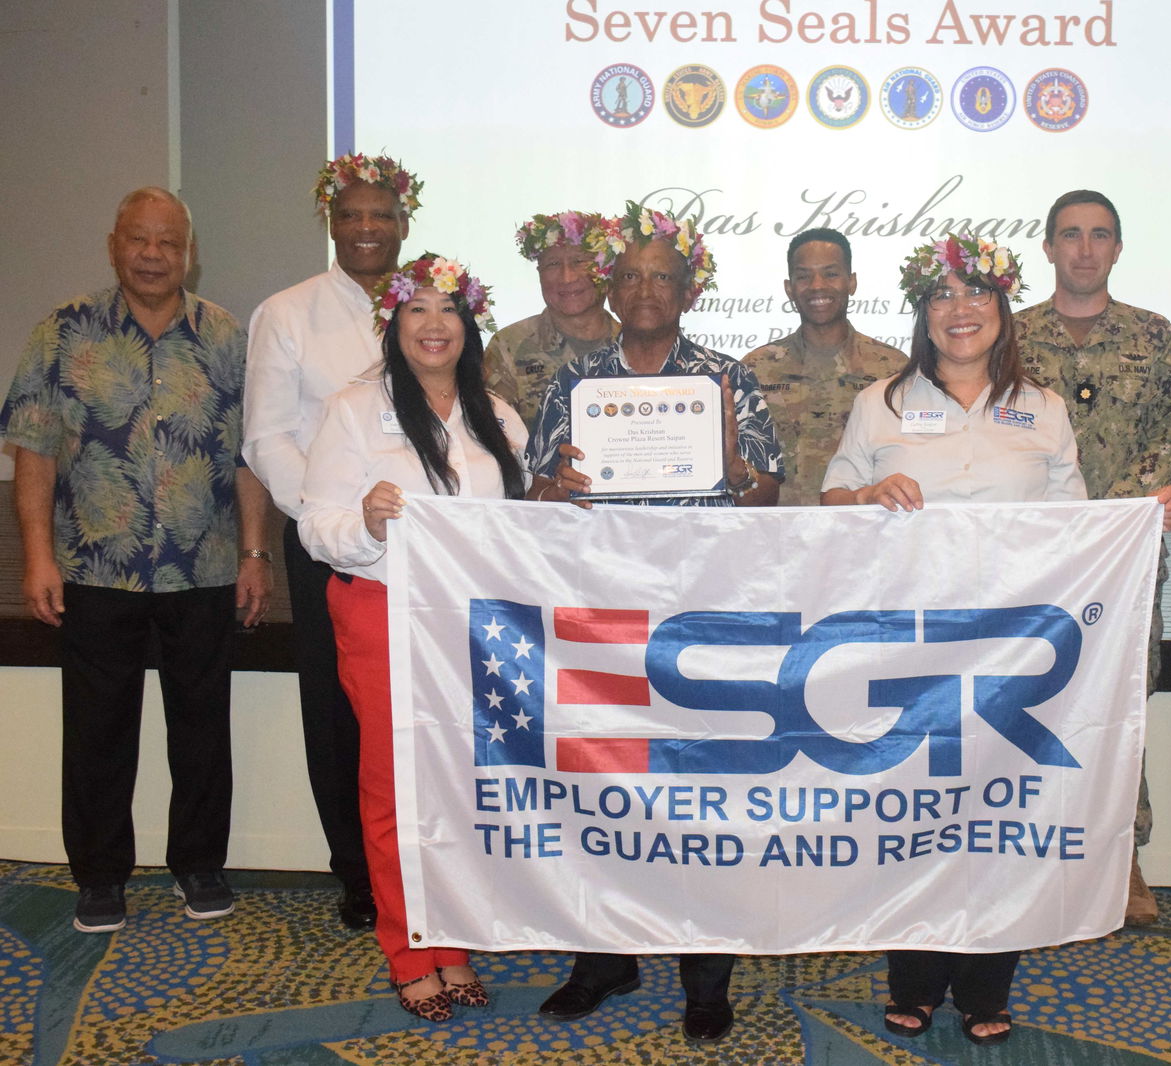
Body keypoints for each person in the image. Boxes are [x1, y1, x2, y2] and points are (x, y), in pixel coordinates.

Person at [822, 233, 1171, 1047]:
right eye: (944, 297)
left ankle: (988, 981)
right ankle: (914, 976)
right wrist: (868, 491)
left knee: (999, 814)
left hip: (1011, 649)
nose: (961, 311)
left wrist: (1138, 519)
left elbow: (1077, 522)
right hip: (908, 644)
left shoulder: (1044, 408)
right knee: (911, 811)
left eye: (977, 296)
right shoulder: (878, 400)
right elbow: (830, 493)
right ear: (923, 313)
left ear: (1002, 312)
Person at [528, 203, 782, 1044]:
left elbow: (769, 495)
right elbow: (535, 492)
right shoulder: (576, 381)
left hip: (696, 613)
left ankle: (705, 977)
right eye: (630, 275)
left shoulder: (725, 377)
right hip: (599, 614)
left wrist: (742, 471)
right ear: (614, 285)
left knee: (698, 793)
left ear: (688, 290)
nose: (644, 290)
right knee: (603, 787)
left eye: (661, 277)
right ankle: (602, 959)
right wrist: (553, 489)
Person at [1, 187, 271, 933]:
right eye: (139, 240)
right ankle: (98, 876)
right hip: (95, 567)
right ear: (114, 245)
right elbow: (34, 456)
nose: (154, 255)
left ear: (190, 252)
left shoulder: (225, 336)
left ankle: (199, 864)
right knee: (95, 730)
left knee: (202, 726)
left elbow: (250, 458)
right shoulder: (62, 332)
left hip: (205, 568)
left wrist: (254, 554)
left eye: (169, 242)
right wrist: (36, 559)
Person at [298, 254, 526, 1018]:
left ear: (470, 326)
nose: (434, 326)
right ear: (394, 323)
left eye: (450, 311)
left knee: (460, 789)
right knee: (396, 790)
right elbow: (316, 528)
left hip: (470, 626)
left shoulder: (496, 414)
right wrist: (364, 521)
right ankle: (409, 949)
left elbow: (517, 528)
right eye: (418, 310)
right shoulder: (354, 409)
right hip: (383, 612)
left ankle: (453, 941)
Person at [243, 152, 424, 931]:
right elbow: (267, 438)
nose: (366, 229)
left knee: (426, 708)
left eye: (380, 215)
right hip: (329, 548)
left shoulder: (432, 303)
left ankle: (424, 865)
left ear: (403, 224)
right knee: (339, 712)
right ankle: (356, 872)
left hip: (429, 551)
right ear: (330, 222)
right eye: (350, 215)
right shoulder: (287, 313)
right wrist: (335, 519)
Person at [1016, 189, 1171, 925]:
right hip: (1029, 561)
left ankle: (1126, 857)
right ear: (1048, 247)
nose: (1084, 248)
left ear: (1117, 249)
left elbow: (1170, 440)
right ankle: (1020, 853)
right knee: (1022, 706)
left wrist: (1107, 524)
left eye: (1099, 236)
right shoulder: (1007, 338)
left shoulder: (1158, 341)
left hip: (1120, 561)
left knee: (1120, 704)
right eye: (1070, 235)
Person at [742, 227, 905, 502]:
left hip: (864, 532)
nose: (817, 286)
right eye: (804, 276)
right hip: (778, 533)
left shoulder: (893, 368)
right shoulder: (756, 368)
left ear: (851, 282)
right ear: (789, 288)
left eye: (831, 274)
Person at [485, 210, 619, 434]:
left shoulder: (633, 343)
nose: (567, 277)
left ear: (604, 269)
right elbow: (492, 437)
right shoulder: (508, 345)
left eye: (579, 261)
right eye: (553, 264)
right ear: (539, 273)